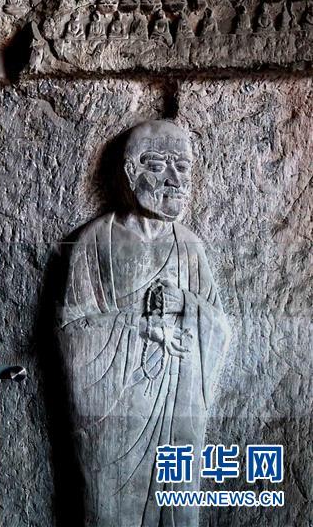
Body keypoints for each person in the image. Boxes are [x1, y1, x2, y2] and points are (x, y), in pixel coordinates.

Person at [58, 120, 231, 527]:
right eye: (158, 165)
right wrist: (139, 327)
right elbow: (71, 331)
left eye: (183, 167)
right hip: (116, 415)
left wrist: (185, 303)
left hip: (176, 409)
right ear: (130, 172)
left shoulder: (189, 247)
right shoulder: (95, 241)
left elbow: (219, 331)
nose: (174, 179)